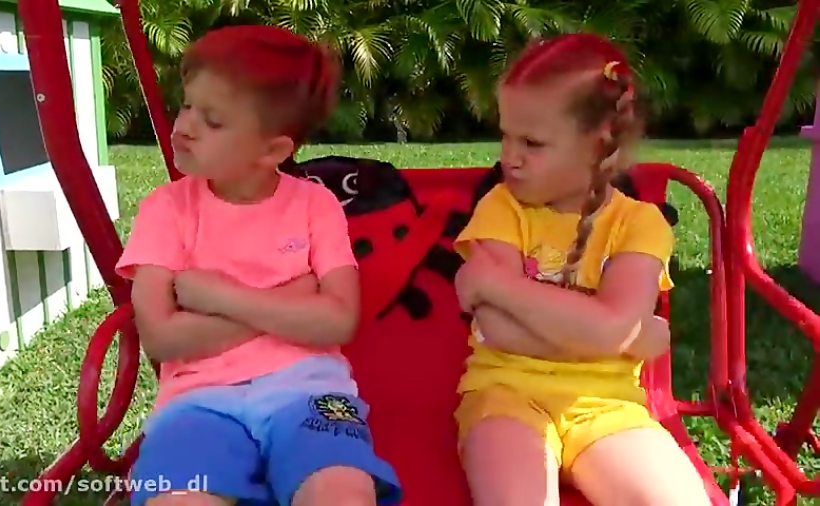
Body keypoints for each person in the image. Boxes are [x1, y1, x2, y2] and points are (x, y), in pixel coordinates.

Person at [115, 25, 401, 506]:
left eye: (213, 121)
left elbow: (338, 320)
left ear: (273, 151)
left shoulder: (315, 205)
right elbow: (161, 337)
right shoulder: (166, 210)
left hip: (309, 390)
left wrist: (218, 298)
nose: (184, 126)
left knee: (342, 492)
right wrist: (291, 302)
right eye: (187, 105)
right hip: (198, 399)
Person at [451, 33, 711, 506]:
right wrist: (625, 335)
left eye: (531, 142)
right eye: (505, 135)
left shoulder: (639, 224)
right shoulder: (501, 208)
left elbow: (610, 327)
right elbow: (496, 329)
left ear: (598, 146)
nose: (509, 157)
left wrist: (497, 284)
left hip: (609, 406)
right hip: (506, 396)